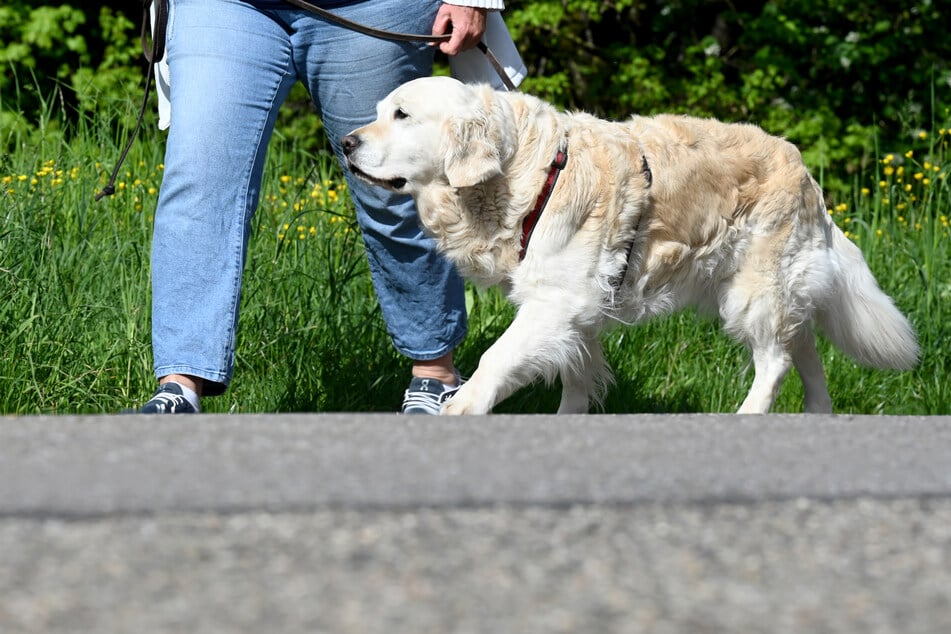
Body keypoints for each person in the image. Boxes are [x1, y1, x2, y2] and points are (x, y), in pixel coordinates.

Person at [135, 0, 509, 414]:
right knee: (200, 181)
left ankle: (435, 376)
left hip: (374, 6)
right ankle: (179, 388)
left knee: (397, 189)